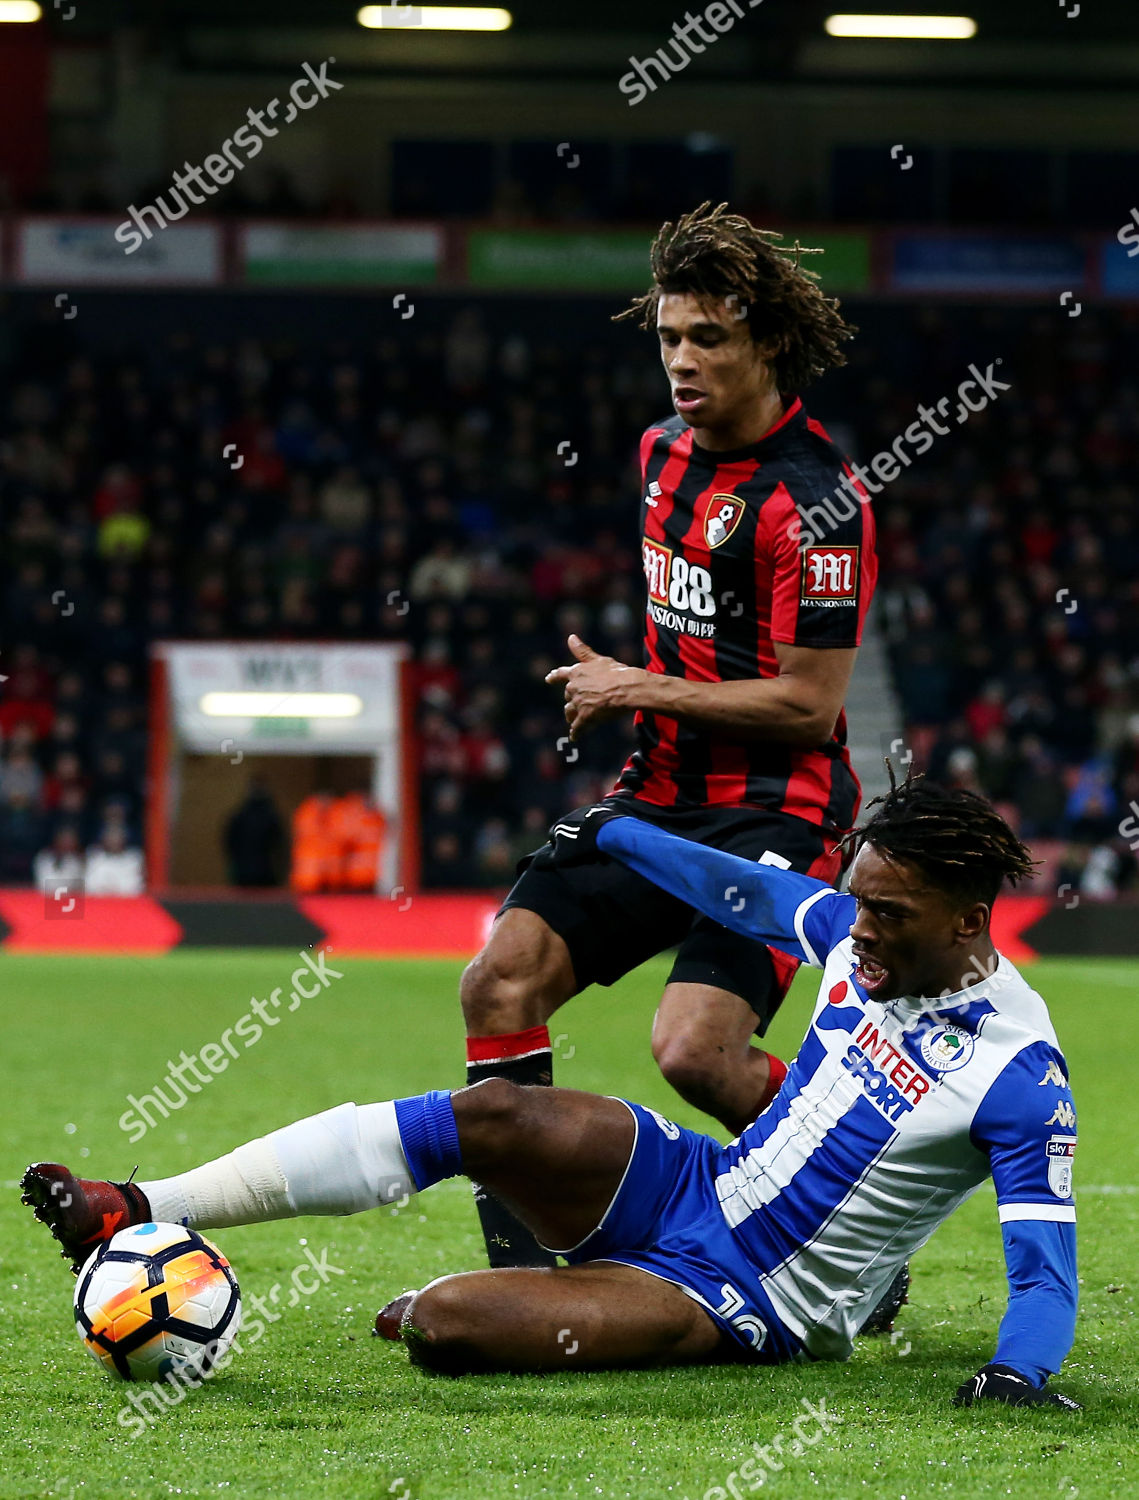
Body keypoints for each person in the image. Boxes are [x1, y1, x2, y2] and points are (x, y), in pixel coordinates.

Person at [21, 777, 1079, 1409]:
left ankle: (546, 1300)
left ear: (963, 921)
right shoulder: (861, 940)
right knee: (489, 1115)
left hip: (750, 1298)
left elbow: (1044, 1276)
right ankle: (144, 1204)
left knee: (443, 1327)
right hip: (696, 1184)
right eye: (856, 903)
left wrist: (1016, 1377)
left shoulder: (1017, 1076)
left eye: (885, 913)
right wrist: (612, 833)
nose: (855, 929)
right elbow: (748, 892)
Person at [462, 201, 877, 1269]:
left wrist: (634, 683)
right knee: (497, 983)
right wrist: (646, 692)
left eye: (708, 338)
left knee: (695, 1054)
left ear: (765, 343)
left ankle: (857, 1221)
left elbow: (807, 706)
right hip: (657, 793)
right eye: (667, 337)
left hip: (773, 812)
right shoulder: (657, 452)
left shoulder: (818, 502)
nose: (680, 361)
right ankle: (525, 1272)